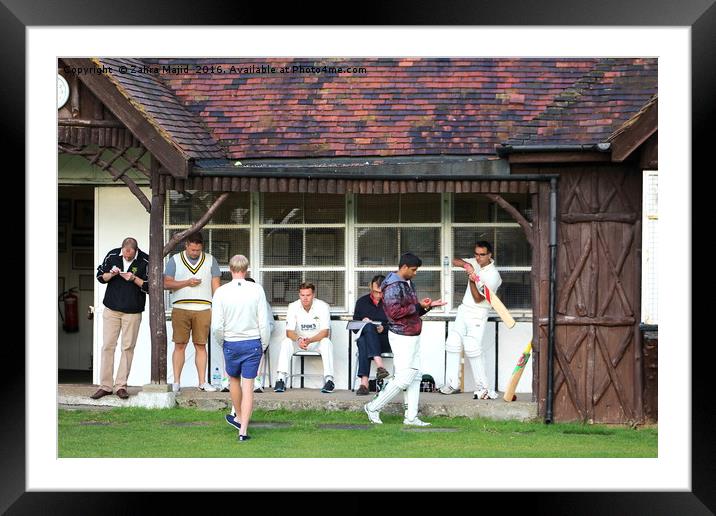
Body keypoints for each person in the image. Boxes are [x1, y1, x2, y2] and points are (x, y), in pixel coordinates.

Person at [363, 253, 446, 426]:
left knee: (415, 377)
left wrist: (427, 307)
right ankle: (373, 407)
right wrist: (418, 306)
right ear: (404, 267)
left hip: (411, 334)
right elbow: (394, 313)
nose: (415, 273)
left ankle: (411, 417)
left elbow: (412, 311)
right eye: (414, 270)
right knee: (404, 378)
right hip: (401, 335)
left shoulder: (407, 283)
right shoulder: (393, 285)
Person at [211, 255, 270, 442]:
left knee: (233, 381)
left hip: (231, 342)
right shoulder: (256, 289)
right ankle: (243, 430)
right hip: (253, 341)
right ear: (247, 269)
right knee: (249, 386)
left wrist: (222, 341)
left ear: (230, 269)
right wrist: (264, 343)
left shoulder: (221, 291)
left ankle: (238, 416)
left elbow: (217, 326)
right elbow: (264, 322)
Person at [439, 241, 502, 400]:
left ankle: (483, 389)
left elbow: (478, 298)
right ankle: (452, 384)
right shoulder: (475, 262)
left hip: (478, 313)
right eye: (476, 254)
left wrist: (472, 280)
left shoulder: (493, 275)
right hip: (463, 310)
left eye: (482, 255)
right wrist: (468, 266)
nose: (478, 257)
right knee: (453, 342)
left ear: (490, 255)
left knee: (473, 347)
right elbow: (455, 261)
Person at [91, 237, 149, 400]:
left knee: (127, 347)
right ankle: (105, 386)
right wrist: (112, 274)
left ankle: (121, 386)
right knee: (108, 346)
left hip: (133, 311)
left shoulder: (145, 260)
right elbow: (100, 277)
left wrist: (133, 278)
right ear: (122, 249)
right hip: (112, 309)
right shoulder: (112, 256)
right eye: (125, 254)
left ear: (135, 250)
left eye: (130, 255)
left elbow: (150, 286)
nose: (127, 257)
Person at [164, 232, 221, 392]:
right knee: (180, 344)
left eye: (198, 250)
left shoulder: (210, 260)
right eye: (192, 250)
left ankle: (202, 382)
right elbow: (166, 283)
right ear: (186, 245)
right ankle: (176, 382)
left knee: (201, 345)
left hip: (203, 308)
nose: (195, 253)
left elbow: (216, 286)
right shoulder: (174, 260)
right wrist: (187, 282)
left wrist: (218, 306)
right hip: (180, 307)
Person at [274, 282, 335, 393]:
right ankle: (280, 379)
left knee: (326, 342)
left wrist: (310, 340)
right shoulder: (293, 306)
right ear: (299, 295)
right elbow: (289, 332)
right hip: (299, 342)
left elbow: (325, 332)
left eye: (308, 295)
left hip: (315, 342)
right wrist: (299, 340)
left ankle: (329, 380)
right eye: (302, 295)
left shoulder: (323, 306)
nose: (305, 298)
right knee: (286, 342)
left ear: (313, 295)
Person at [352, 274, 391, 396]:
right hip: (369, 341)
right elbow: (354, 328)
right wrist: (363, 323)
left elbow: (397, 326)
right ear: (370, 287)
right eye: (375, 292)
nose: (378, 295)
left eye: (381, 292)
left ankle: (364, 384)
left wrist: (383, 328)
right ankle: (380, 366)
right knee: (366, 331)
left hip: (385, 341)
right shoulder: (362, 302)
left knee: (363, 341)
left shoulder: (391, 303)